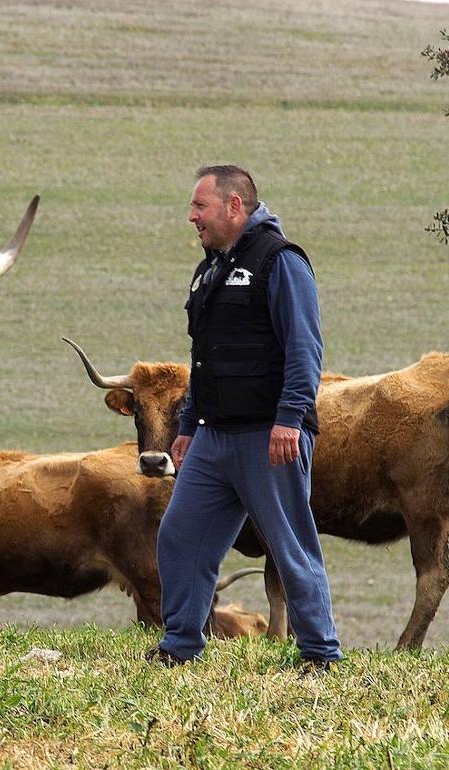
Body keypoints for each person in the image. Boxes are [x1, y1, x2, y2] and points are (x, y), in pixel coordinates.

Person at [148, 165, 342, 672]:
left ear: (234, 206)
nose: (191, 217)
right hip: (212, 439)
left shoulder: (282, 262)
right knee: (180, 535)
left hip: (268, 435)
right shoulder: (209, 269)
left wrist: (289, 418)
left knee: (289, 543)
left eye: (200, 206)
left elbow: (305, 350)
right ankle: (181, 643)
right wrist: (187, 427)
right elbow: (202, 360)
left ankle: (319, 653)